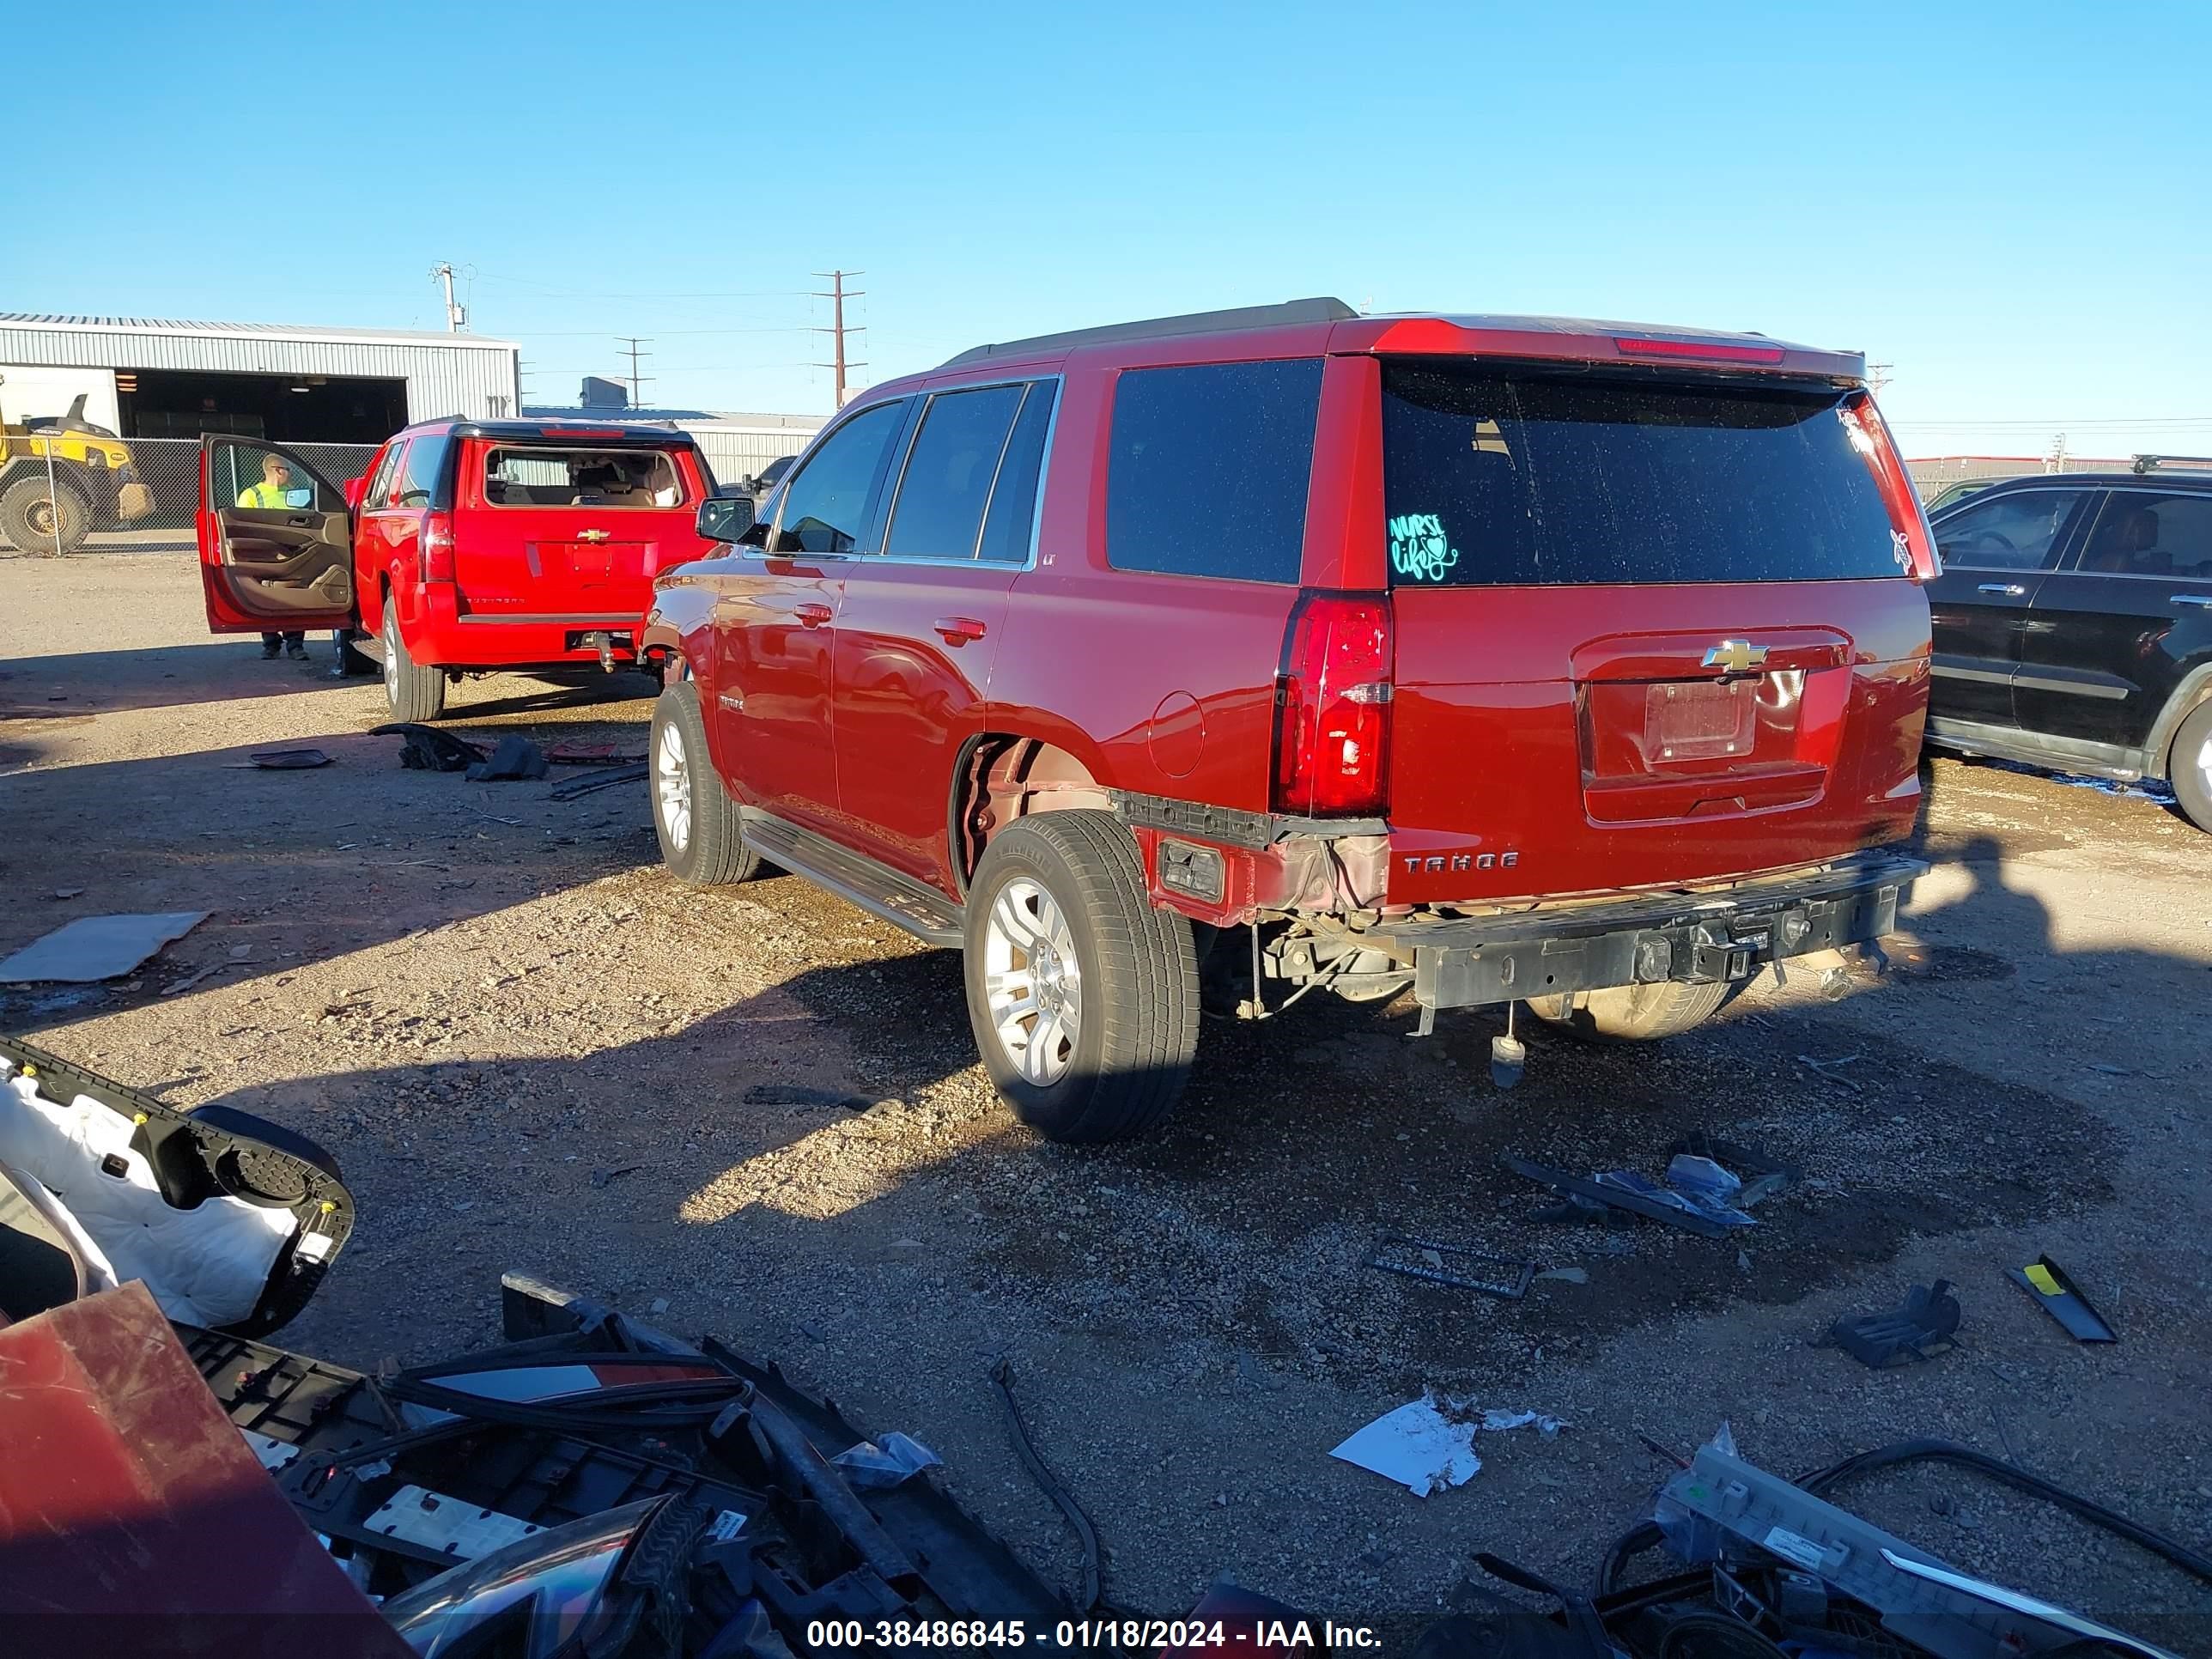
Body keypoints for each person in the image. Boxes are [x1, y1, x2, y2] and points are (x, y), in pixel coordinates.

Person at [237, 453, 308, 660]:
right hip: (264, 556)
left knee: (293, 599)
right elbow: (243, 525)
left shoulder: (295, 495)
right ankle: (271, 644)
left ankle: (295, 645)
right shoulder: (251, 495)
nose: (290, 474)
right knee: (266, 600)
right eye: (288, 470)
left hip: (292, 555)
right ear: (277, 470)